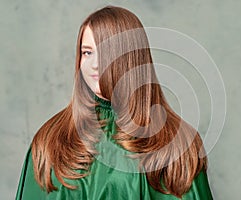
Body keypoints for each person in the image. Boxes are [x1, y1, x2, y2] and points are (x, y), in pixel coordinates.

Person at [16, 5, 214, 200]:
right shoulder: (50, 139)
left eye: (105, 52)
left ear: (130, 59)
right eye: (87, 52)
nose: (94, 64)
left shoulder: (176, 142)